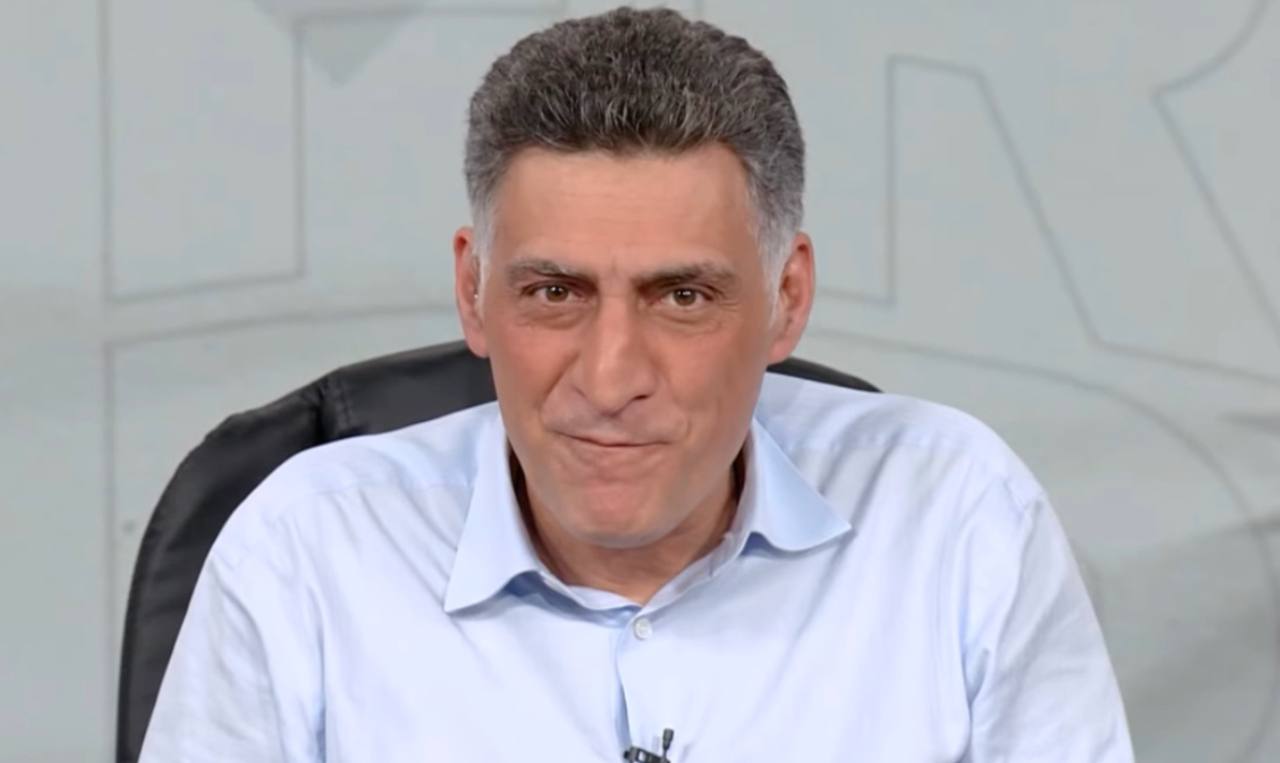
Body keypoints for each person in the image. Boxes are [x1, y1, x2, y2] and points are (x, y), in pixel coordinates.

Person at [139, 7, 1132, 761]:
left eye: (682, 296)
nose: (611, 379)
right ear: (473, 291)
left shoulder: (957, 520)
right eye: (554, 292)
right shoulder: (304, 554)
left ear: (785, 300)